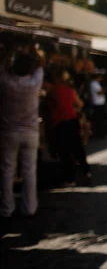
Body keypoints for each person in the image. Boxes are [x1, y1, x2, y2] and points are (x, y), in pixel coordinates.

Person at [0, 46, 44, 218]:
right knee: (29, 171)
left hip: (8, 131)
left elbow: (1, 65)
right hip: (31, 132)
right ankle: (30, 207)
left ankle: (6, 208)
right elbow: (41, 64)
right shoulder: (35, 83)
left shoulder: (5, 82)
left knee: (6, 171)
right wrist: (32, 48)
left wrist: (9, 51)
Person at [48, 70, 91, 187]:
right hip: (72, 121)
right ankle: (86, 171)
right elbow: (80, 104)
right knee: (77, 148)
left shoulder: (52, 91)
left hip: (60, 123)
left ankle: (70, 178)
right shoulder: (70, 90)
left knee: (65, 152)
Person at [90, 73, 107, 138]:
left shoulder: (96, 83)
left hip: (100, 103)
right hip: (98, 104)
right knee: (99, 120)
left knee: (101, 120)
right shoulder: (94, 84)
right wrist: (104, 90)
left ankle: (101, 133)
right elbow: (100, 93)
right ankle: (99, 134)